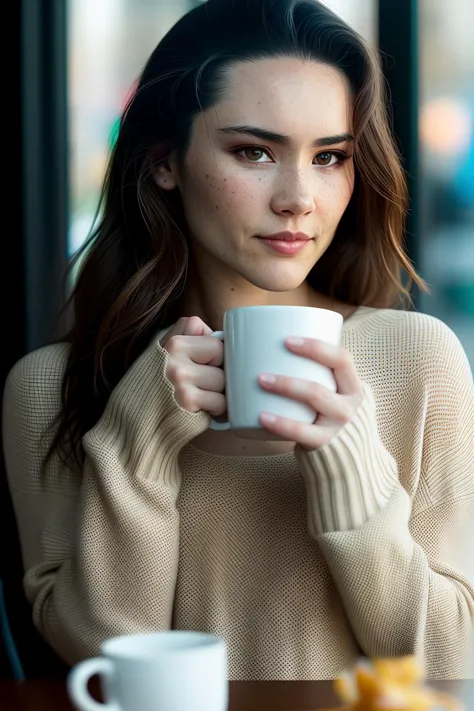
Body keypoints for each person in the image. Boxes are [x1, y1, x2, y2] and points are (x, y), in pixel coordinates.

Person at [3, 0, 473, 681]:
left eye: (330, 156)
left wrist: (355, 480)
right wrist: (136, 446)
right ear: (165, 162)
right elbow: (99, 672)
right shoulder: (49, 388)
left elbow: (454, 666)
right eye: (254, 151)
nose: (298, 197)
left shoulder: (417, 361)